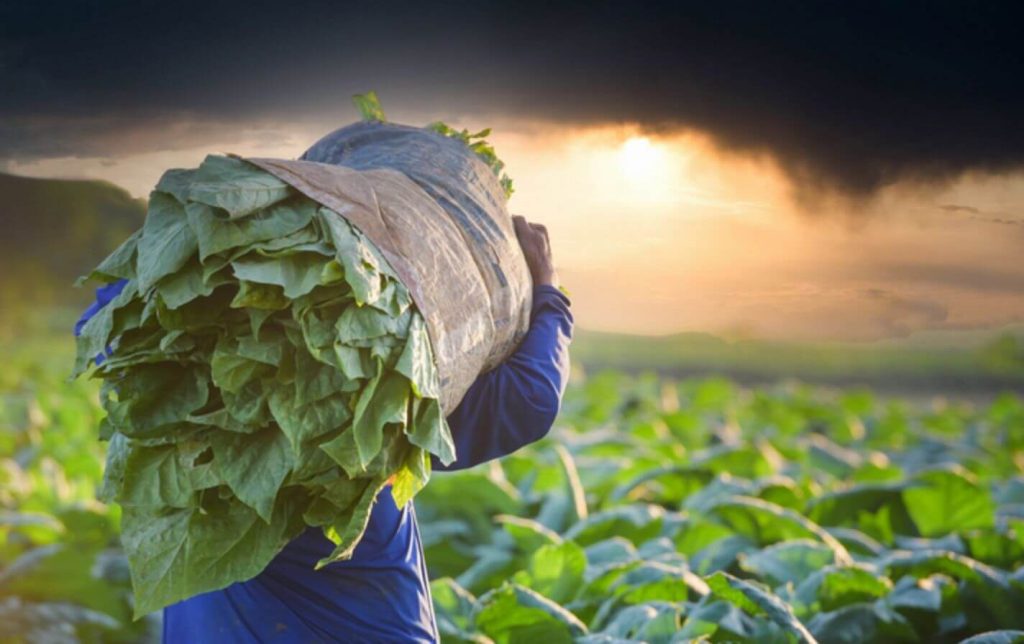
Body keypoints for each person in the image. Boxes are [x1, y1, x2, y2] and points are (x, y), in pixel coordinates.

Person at [74, 213, 573, 643]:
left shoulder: (172, 405)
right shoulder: (367, 407)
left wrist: (214, 233)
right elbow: (530, 400)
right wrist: (547, 289)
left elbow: (105, 318)